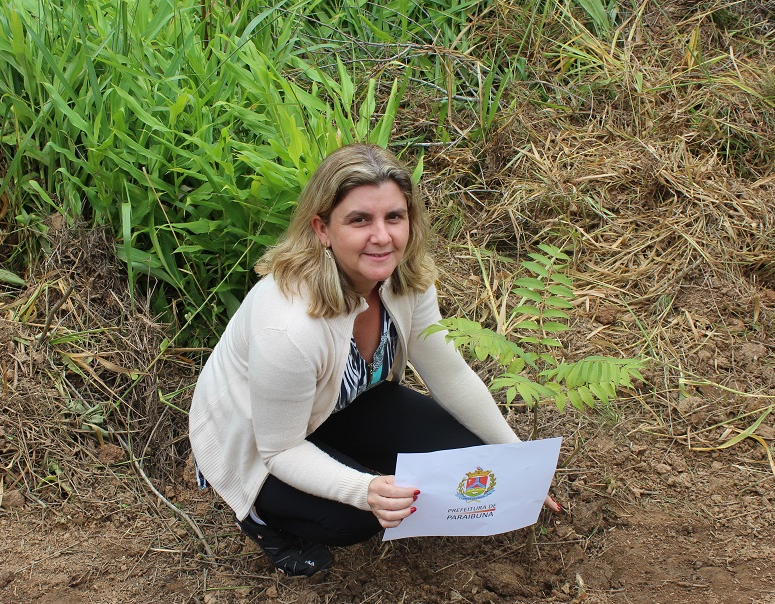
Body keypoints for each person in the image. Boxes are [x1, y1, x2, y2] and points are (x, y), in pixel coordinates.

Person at [188, 143, 560, 576]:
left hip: (339, 404)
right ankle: (261, 519)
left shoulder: (406, 278)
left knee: (470, 455)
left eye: (394, 217)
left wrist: (516, 460)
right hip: (255, 434)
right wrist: (363, 489)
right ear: (322, 229)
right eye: (360, 220)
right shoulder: (289, 327)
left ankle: (339, 459)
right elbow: (280, 448)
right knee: (356, 519)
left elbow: (451, 375)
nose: (382, 236)